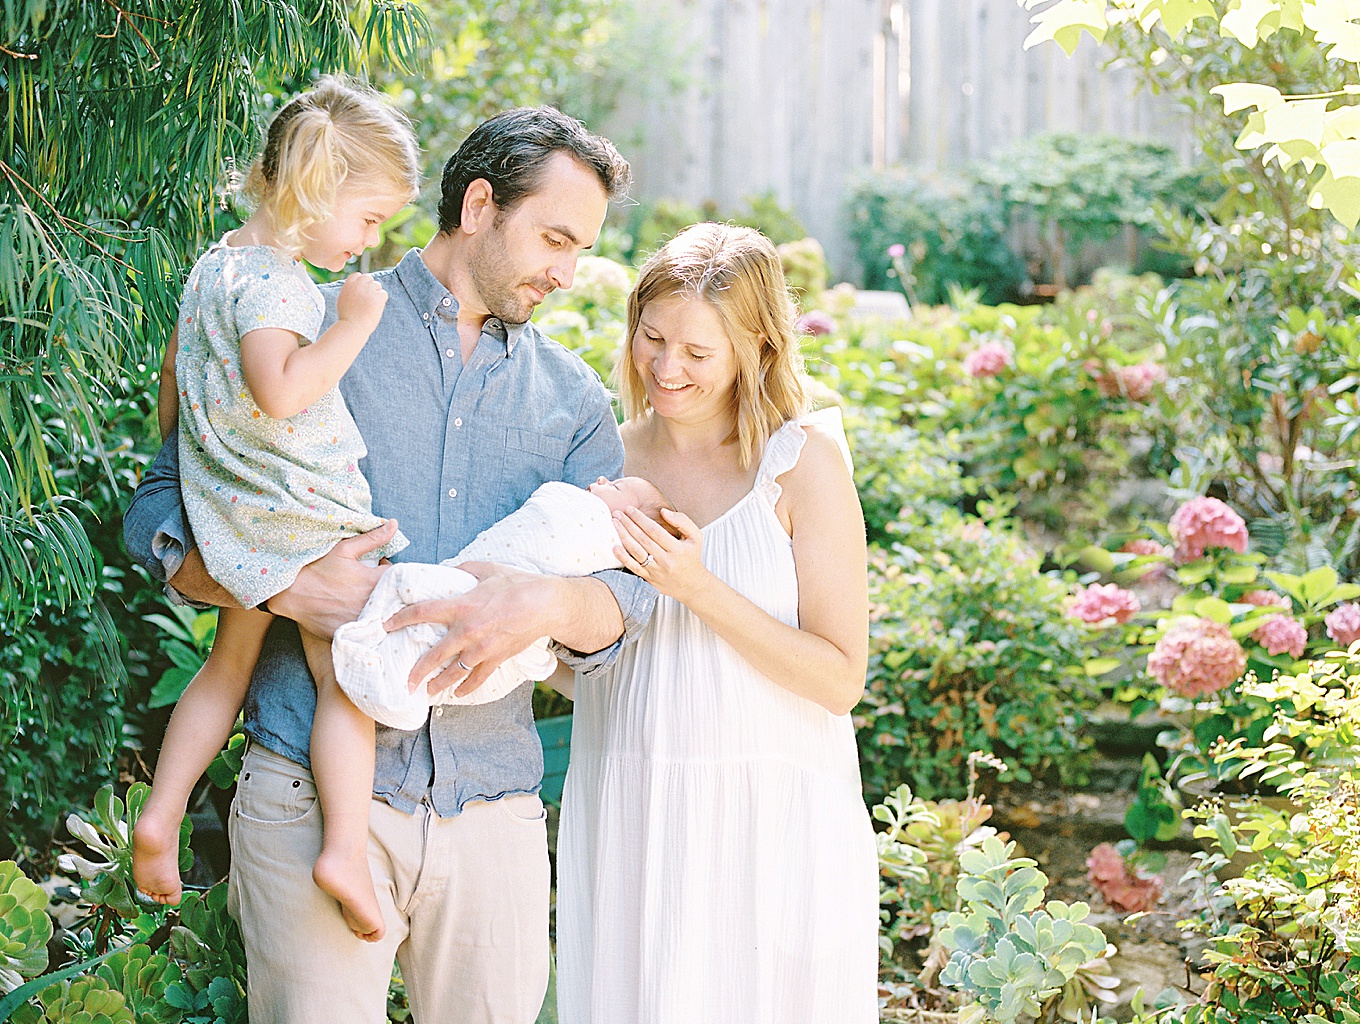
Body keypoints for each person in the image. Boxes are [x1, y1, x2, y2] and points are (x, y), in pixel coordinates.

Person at [122, 106, 649, 1024]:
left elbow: (626, 599)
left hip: (493, 809)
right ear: (480, 205)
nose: (568, 272)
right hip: (308, 807)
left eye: (582, 247)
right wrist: (281, 582)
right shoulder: (300, 318)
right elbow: (159, 506)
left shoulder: (572, 398)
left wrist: (549, 604)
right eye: (555, 238)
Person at [555, 223, 879, 1023]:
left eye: (698, 353)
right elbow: (570, 663)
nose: (667, 369)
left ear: (757, 347)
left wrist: (696, 588)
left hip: (773, 825)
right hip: (631, 808)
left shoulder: (802, 463)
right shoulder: (601, 461)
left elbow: (840, 680)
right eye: (653, 338)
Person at [132, 77, 418, 945]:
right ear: (315, 187)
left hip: (235, 509)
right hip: (291, 514)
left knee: (230, 663)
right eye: (368, 218)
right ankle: (342, 849)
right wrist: (355, 322)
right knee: (348, 682)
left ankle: (162, 814)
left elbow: (178, 386)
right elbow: (282, 390)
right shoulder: (278, 284)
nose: (371, 242)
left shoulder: (215, 265)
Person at [332, 476, 671, 729]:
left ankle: (389, 663)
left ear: (629, 523)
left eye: (615, 486)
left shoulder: (599, 539)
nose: (601, 480)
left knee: (420, 595)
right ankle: (390, 663)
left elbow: (619, 607)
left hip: (498, 776)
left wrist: (544, 605)